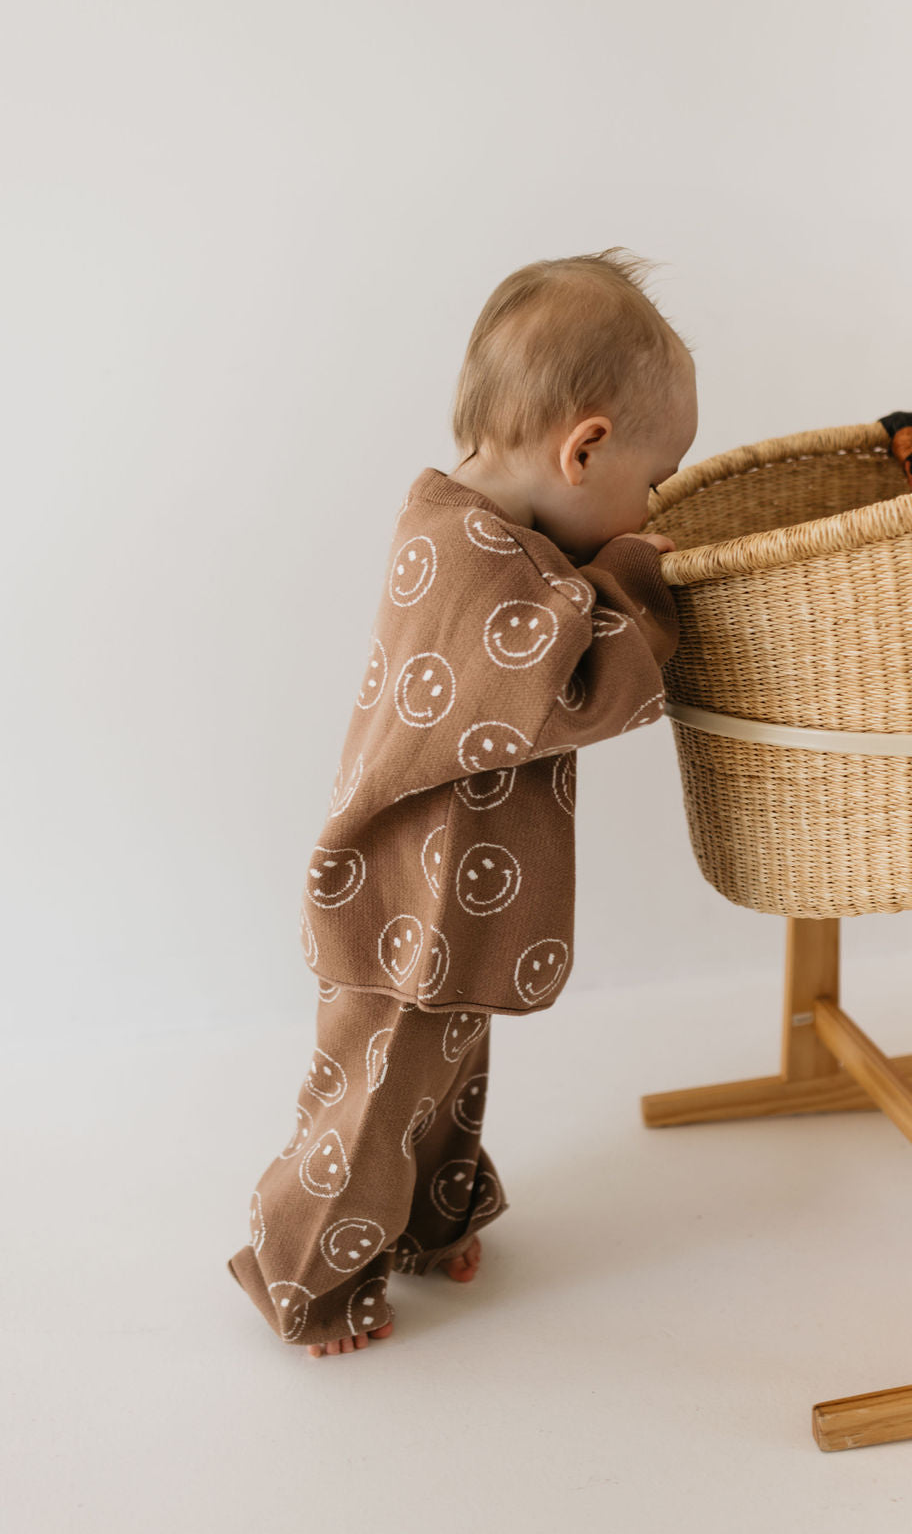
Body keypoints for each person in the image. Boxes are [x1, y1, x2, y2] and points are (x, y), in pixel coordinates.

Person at [226, 246, 699, 1357]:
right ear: (584, 449)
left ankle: (431, 1221)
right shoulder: (465, 553)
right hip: (396, 901)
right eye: (653, 473)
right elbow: (571, 689)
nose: (653, 500)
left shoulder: (498, 540)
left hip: (450, 902)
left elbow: (547, 625)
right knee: (371, 1100)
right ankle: (301, 1278)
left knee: (440, 1076)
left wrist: (598, 565)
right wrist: (636, 576)